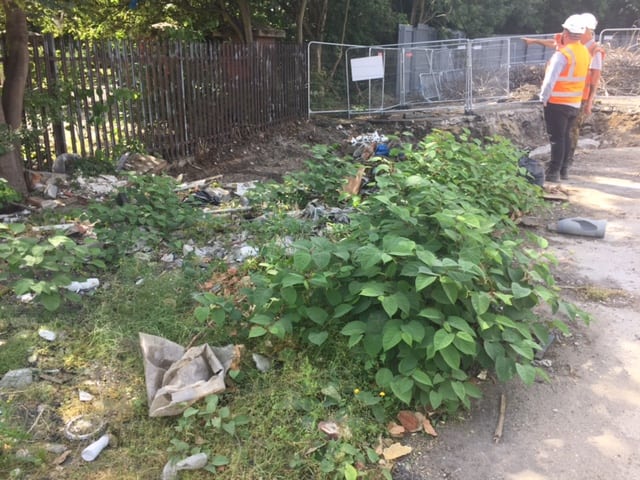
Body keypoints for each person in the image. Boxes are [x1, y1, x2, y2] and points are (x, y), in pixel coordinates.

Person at [539, 14, 591, 183]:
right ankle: (564, 170)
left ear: (566, 32)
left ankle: (553, 172)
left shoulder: (563, 54)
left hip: (557, 102)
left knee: (557, 138)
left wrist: (543, 97)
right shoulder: (584, 52)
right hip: (574, 102)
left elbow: (550, 80)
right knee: (566, 136)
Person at [564, 12, 605, 179]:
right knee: (566, 130)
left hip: (581, 97)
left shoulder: (595, 50)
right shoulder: (580, 47)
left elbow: (595, 77)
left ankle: (566, 162)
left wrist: (590, 101)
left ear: (588, 30)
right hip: (570, 95)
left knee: (572, 129)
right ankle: (563, 160)